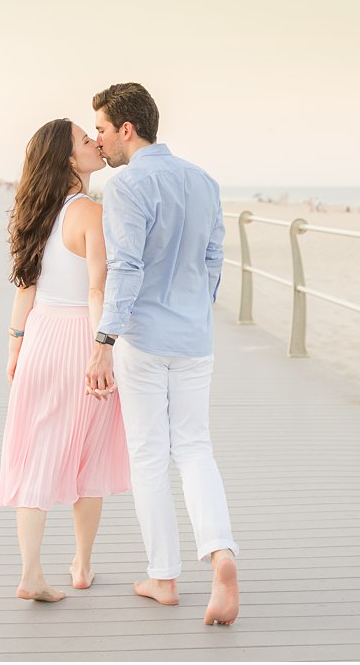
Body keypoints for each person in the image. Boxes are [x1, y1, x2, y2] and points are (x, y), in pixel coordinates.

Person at [85, 82, 240, 627]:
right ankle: (220, 553)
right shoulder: (203, 180)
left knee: (149, 455)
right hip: (195, 338)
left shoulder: (127, 186)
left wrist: (104, 340)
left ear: (127, 129)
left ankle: (164, 577)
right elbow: (215, 255)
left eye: (102, 129)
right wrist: (198, 306)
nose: (99, 141)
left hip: (144, 339)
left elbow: (125, 268)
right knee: (195, 448)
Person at [0, 120, 130, 602]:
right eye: (83, 139)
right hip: (78, 335)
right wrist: (103, 348)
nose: (96, 141)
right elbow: (98, 289)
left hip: (39, 337)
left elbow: (25, 289)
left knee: (38, 451)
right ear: (70, 160)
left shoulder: (35, 212)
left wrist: (15, 347)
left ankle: (31, 572)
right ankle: (81, 563)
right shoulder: (90, 213)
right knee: (88, 453)